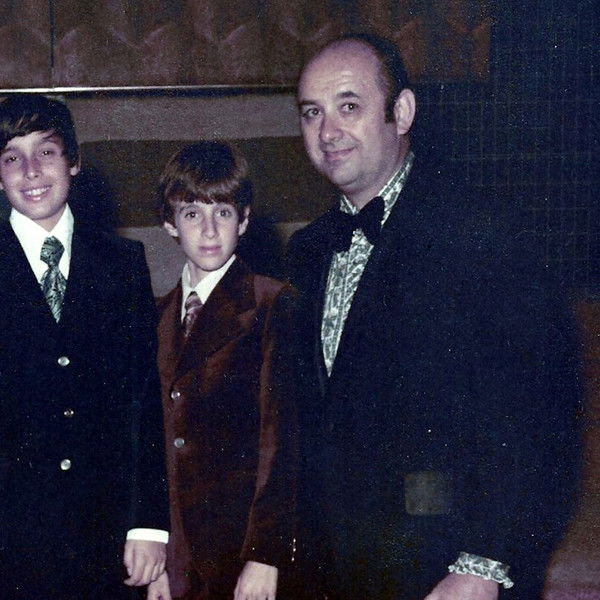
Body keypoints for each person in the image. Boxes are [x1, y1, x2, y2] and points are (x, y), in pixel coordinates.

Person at [287, 33, 581, 599]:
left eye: (349, 106)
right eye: (312, 113)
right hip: (338, 568)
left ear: (402, 112)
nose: (327, 132)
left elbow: (536, 414)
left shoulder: (483, 232)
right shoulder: (307, 249)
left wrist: (484, 563)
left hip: (448, 568)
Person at [0, 93, 169, 599]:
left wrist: (148, 523)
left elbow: (145, 398)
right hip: (12, 540)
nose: (31, 170)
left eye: (46, 151)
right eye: (11, 157)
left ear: (73, 161)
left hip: (107, 536)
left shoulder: (123, 262)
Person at [149, 141, 297, 600]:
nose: (209, 230)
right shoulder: (154, 316)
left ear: (245, 220)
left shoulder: (273, 303)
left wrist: (265, 555)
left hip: (243, 556)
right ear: (170, 223)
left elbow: (282, 439)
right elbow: (155, 447)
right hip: (177, 561)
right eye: (192, 213)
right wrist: (159, 557)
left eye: (224, 212)